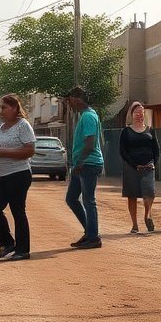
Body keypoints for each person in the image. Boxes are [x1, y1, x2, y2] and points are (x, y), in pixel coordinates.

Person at [0, 93, 36, 260]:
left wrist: (4, 151)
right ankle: (7, 243)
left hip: (19, 174)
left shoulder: (23, 125)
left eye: (4, 107)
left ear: (14, 108)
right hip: (0, 174)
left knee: (18, 211)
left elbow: (30, 150)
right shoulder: (0, 128)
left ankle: (23, 250)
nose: (1, 111)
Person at [63, 86, 104, 249]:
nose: (69, 104)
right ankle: (90, 232)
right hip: (83, 164)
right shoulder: (85, 115)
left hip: (88, 164)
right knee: (72, 198)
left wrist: (79, 163)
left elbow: (90, 142)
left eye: (70, 100)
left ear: (77, 99)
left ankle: (93, 237)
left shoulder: (88, 116)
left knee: (89, 201)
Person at [119, 101, 159, 234]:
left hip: (148, 166)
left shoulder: (150, 130)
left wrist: (154, 163)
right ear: (131, 115)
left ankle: (147, 214)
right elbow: (123, 151)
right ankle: (135, 225)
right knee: (132, 196)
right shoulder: (126, 131)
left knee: (150, 193)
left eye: (141, 113)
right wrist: (133, 164)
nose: (139, 115)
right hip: (131, 168)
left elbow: (156, 149)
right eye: (136, 113)